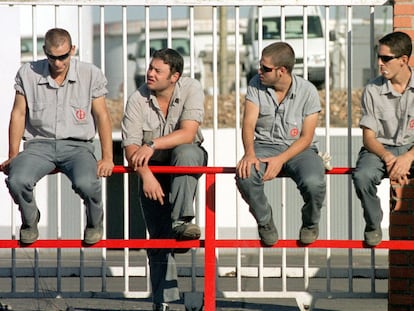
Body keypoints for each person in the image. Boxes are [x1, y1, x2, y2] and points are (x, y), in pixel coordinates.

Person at [0, 28, 114, 245]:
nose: (58, 63)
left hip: (78, 147)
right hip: (38, 146)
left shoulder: (90, 73)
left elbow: (102, 115)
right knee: (17, 179)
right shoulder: (27, 73)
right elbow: (18, 113)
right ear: (45, 51)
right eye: (52, 57)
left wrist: (108, 157)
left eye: (63, 56)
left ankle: (94, 222)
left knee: (87, 183)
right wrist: (13, 154)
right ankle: (30, 220)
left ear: (72, 50)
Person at [121, 48, 208, 311]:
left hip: (184, 163)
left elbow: (188, 132)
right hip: (151, 168)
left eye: (158, 70)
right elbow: (130, 146)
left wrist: (153, 144)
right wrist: (146, 176)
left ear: (175, 77)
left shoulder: (192, 88)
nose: (150, 73)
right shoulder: (138, 98)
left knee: (188, 150)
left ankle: (182, 220)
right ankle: (165, 302)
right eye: (150, 67)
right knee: (158, 238)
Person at [235, 42, 326, 246]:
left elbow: (306, 137)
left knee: (314, 182)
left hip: (300, 149)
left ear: (282, 71)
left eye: (265, 68)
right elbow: (248, 123)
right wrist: (249, 153)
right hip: (264, 145)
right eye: (260, 66)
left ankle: (310, 223)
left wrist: (280, 160)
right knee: (245, 174)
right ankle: (265, 221)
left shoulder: (308, 91)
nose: (260, 71)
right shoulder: (255, 84)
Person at [352, 31, 414, 247]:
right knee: (362, 176)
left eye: (386, 58)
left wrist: (407, 157)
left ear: (403, 60)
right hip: (380, 149)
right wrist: (389, 158)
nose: (380, 63)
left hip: (412, 149)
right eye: (378, 57)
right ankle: (373, 223)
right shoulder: (372, 89)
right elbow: (368, 138)